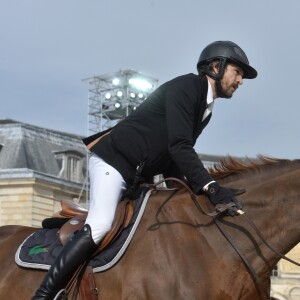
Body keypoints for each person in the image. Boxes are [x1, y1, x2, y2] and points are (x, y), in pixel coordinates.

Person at [32, 40, 257, 299]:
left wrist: (184, 195)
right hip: (113, 163)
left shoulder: (206, 108)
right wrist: (211, 187)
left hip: (137, 176)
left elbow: (174, 157)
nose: (240, 80)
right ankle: (45, 293)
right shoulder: (187, 88)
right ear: (216, 66)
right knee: (101, 224)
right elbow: (180, 147)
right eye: (237, 72)